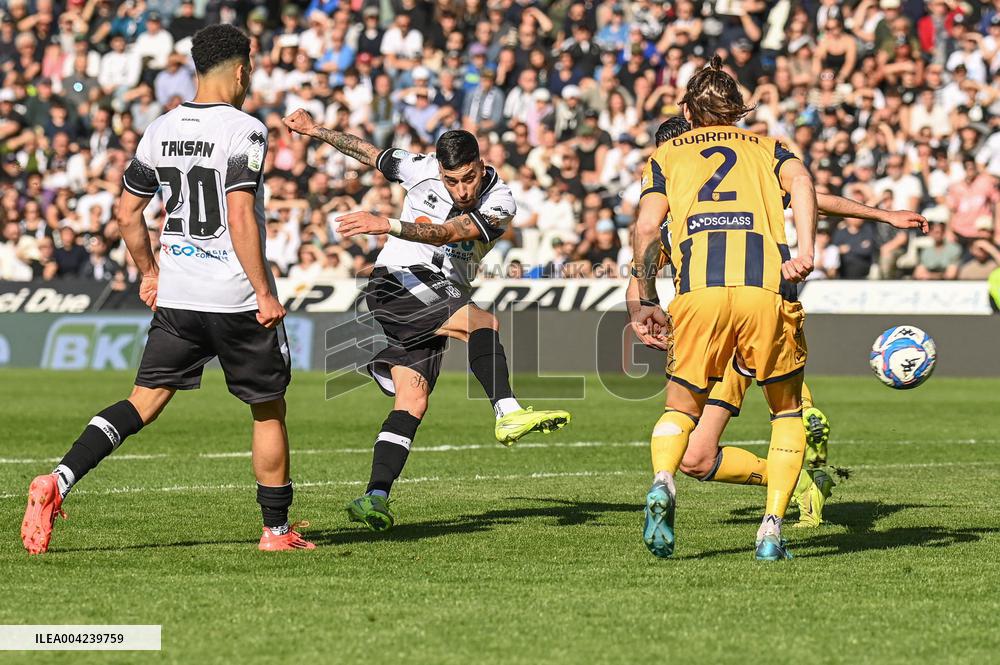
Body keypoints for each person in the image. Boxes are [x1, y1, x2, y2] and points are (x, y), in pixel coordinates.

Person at [20, 25, 314, 555]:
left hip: (179, 297)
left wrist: (148, 272)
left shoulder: (160, 128)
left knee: (142, 403)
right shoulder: (244, 129)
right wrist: (264, 291)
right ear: (242, 70)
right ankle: (275, 531)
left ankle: (58, 481)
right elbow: (240, 215)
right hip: (234, 298)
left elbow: (128, 212)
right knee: (268, 408)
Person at [629, 116, 928, 529]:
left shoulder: (702, 198)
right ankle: (804, 471)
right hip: (733, 324)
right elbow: (809, 193)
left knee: (720, 426)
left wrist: (641, 309)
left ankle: (801, 428)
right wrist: (882, 214)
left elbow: (808, 195)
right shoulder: (679, 214)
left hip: (725, 325)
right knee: (697, 458)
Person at [282, 111, 571, 532]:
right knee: (483, 323)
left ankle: (375, 495)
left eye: (468, 178)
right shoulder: (417, 169)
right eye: (452, 180)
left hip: (439, 289)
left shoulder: (500, 201)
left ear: (481, 164)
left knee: (412, 401)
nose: (462, 188)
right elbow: (367, 152)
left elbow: (449, 233)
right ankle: (507, 411)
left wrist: (389, 224)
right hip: (398, 282)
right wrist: (316, 131)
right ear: (439, 169)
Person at [630, 57, 818, 561]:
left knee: (679, 407)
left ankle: (664, 481)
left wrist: (646, 297)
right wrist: (805, 250)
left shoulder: (666, 154)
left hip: (698, 292)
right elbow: (803, 185)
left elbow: (648, 229)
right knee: (787, 411)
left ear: (688, 111)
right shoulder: (770, 147)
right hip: (765, 289)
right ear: (737, 110)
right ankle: (772, 531)